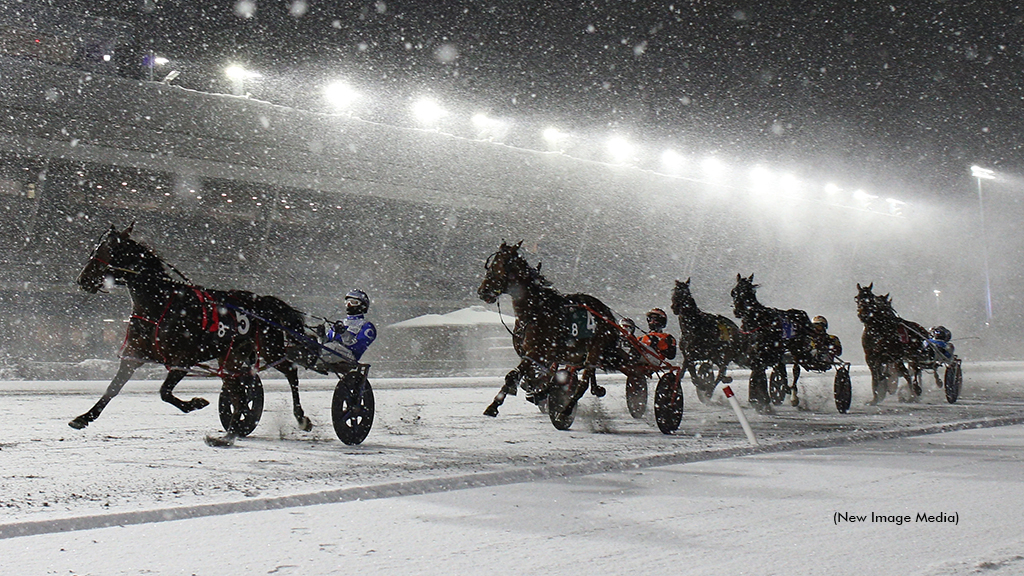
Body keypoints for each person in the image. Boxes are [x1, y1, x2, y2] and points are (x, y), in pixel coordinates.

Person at [319, 289, 377, 368]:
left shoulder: (367, 326)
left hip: (348, 357)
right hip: (331, 351)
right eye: (347, 302)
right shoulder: (340, 322)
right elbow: (325, 343)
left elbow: (357, 348)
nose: (349, 305)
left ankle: (313, 357)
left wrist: (344, 333)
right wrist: (321, 336)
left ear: (363, 306)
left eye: (353, 302)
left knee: (332, 347)